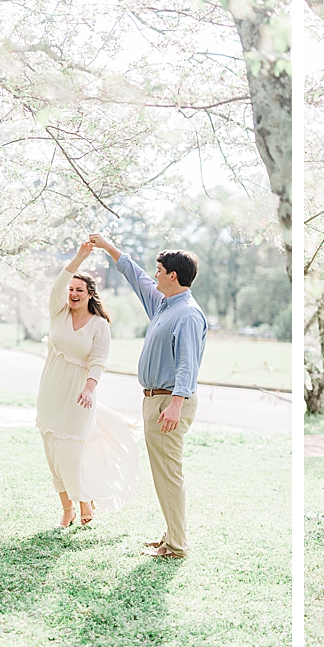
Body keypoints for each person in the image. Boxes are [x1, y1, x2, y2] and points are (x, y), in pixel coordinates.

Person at [89, 233, 206, 559]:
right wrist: (108, 246)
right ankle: (172, 536)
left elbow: (188, 364)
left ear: (173, 275)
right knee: (164, 472)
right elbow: (135, 275)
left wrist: (175, 405)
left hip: (171, 402)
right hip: (157, 399)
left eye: (159, 269)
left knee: (168, 473)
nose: (153, 274)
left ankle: (177, 545)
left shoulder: (188, 314)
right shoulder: (163, 305)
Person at [34, 241, 141, 528]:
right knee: (53, 453)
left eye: (79, 290)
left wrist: (90, 387)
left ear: (90, 294)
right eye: (71, 289)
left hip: (79, 395)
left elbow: (99, 359)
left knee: (71, 453)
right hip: (51, 393)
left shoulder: (99, 325)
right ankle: (67, 508)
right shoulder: (59, 313)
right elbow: (58, 286)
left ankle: (84, 503)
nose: (73, 294)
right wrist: (80, 257)